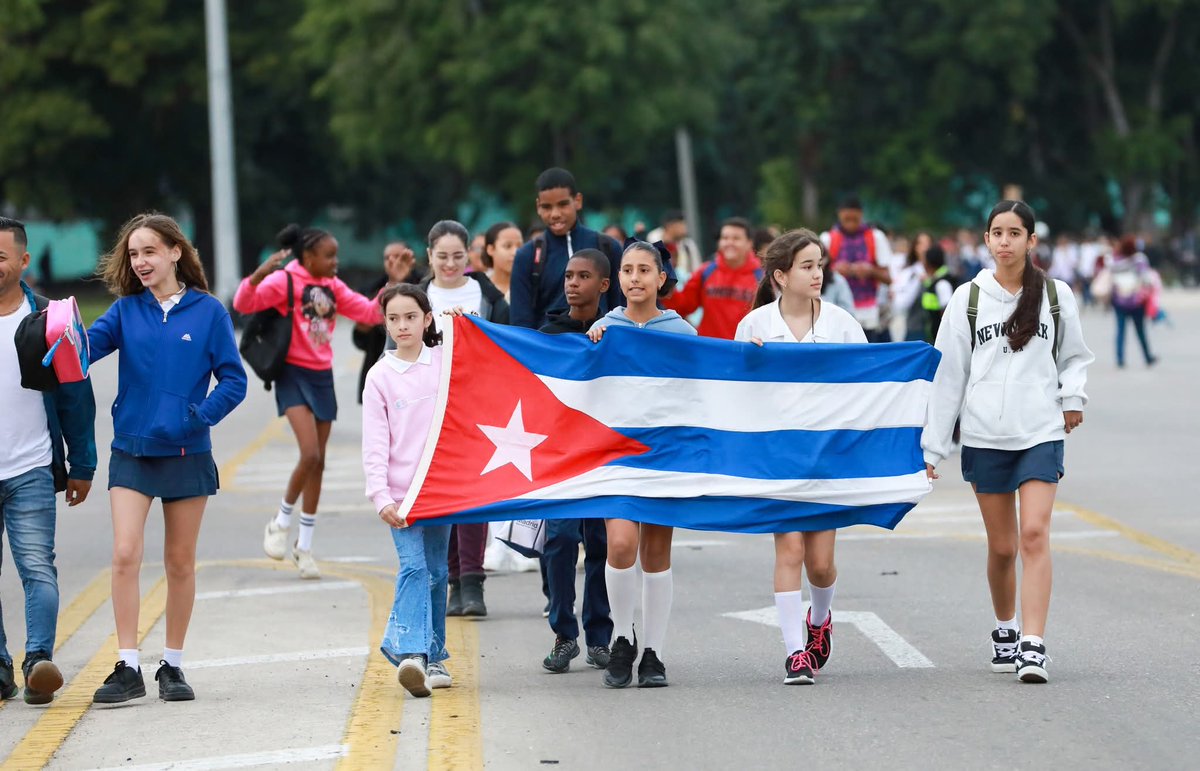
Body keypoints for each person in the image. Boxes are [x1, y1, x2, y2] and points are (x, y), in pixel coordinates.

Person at [922, 200, 1093, 684]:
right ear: (986, 239)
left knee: (1034, 535)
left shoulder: (1056, 296)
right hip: (984, 435)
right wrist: (932, 448)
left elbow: (1074, 356)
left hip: (1040, 431)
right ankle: (1005, 627)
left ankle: (1034, 645)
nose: (1004, 241)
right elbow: (948, 375)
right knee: (1002, 547)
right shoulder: (967, 299)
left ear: (1031, 241)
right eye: (997, 232)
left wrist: (1072, 396)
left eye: (1014, 233)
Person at [86, 213, 247, 703]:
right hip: (131, 450)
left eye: (149, 252)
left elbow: (234, 380)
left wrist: (197, 416)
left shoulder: (208, 312)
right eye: (133, 254)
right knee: (124, 553)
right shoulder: (125, 310)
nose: (140, 263)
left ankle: (172, 666)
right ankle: (128, 666)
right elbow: (83, 350)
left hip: (186, 452)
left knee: (179, 562)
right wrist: (52, 337)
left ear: (176, 251)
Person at [733, 229, 866, 685]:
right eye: (807, 266)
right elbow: (735, 395)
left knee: (821, 563)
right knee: (789, 547)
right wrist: (744, 363)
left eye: (820, 265)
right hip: (778, 457)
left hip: (825, 457)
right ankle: (795, 653)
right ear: (780, 276)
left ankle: (820, 620)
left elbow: (872, 388)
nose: (818, 274)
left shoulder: (843, 325)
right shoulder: (754, 327)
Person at [234, 224, 384, 580]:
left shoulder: (332, 286)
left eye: (336, 255)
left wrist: (388, 289)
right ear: (308, 257)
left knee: (319, 463)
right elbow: (243, 303)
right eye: (329, 256)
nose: (336, 262)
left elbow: (368, 313)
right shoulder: (285, 281)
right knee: (310, 454)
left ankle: (304, 547)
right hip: (291, 375)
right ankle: (280, 521)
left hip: (321, 377)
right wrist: (257, 275)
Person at [587, 241, 696, 688]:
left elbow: (705, 387)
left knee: (655, 553)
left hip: (663, 454)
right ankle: (620, 638)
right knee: (619, 545)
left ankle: (653, 651)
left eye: (644, 270)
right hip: (617, 454)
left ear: (661, 278)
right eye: (627, 270)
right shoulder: (605, 327)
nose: (635, 278)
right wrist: (591, 346)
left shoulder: (682, 333)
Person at [0, 217, 96, 706]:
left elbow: (77, 396)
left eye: (0, 257)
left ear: (23, 261)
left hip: (31, 467)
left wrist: (82, 463)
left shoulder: (51, 320)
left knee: (38, 568)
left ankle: (38, 661)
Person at [362, 284, 453, 697]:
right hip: (401, 495)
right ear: (385, 323)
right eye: (394, 318)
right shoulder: (380, 375)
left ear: (427, 319)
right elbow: (375, 442)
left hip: (441, 490)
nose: (402, 325)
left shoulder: (445, 364)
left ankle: (435, 656)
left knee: (437, 572)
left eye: (411, 317)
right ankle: (413, 654)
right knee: (414, 567)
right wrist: (381, 495)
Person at [417, 220, 509, 616]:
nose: (450, 264)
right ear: (429, 257)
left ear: (469, 255)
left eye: (458, 256)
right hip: (428, 406)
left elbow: (508, 343)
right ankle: (451, 581)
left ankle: (473, 585)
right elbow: (394, 350)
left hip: (478, 404)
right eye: (442, 257)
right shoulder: (417, 296)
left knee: (474, 496)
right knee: (442, 495)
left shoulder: (485, 294)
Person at [536, 249, 614, 673]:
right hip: (562, 458)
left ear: (603, 285)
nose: (572, 283)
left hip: (604, 456)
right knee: (562, 539)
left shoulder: (615, 335)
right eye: (568, 275)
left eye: (583, 276)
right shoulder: (548, 334)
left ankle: (600, 637)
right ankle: (564, 634)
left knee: (601, 543)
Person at [510, 168, 625, 329]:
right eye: (547, 207)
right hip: (549, 349)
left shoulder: (608, 247)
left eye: (562, 204)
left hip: (601, 346)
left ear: (577, 201)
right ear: (538, 206)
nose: (555, 214)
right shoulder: (526, 256)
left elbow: (621, 307)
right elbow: (520, 323)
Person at [661, 217, 762, 339]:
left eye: (736, 238)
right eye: (725, 238)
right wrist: (665, 281)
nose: (729, 243)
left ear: (749, 243)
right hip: (710, 349)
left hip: (743, 352)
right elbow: (682, 306)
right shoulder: (706, 271)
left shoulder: (761, 277)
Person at [352, 241, 422, 403]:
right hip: (379, 363)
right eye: (388, 258)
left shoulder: (425, 286)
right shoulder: (371, 290)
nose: (393, 262)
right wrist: (365, 324)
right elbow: (359, 339)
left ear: (410, 258)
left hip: (416, 369)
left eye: (398, 257)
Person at [821, 197, 893, 341]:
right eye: (847, 219)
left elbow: (888, 279)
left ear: (861, 215)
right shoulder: (827, 239)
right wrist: (834, 270)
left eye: (855, 219)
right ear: (839, 215)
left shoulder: (876, 237)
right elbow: (816, 274)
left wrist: (870, 271)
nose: (851, 224)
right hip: (836, 313)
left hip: (868, 315)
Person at [1109, 236, 1158, 368]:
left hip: (1119, 301)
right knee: (1141, 331)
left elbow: (1110, 278)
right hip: (1137, 301)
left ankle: (1120, 359)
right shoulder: (1139, 260)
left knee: (1120, 331)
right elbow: (1146, 279)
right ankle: (1147, 357)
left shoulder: (1114, 261)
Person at [647, 210, 702, 278]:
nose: (685, 228)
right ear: (670, 226)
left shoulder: (688, 245)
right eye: (681, 224)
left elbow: (697, 271)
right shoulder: (650, 243)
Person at [481, 221, 522, 301]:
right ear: (491, 249)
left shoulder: (532, 287)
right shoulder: (478, 288)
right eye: (508, 246)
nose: (515, 252)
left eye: (519, 246)